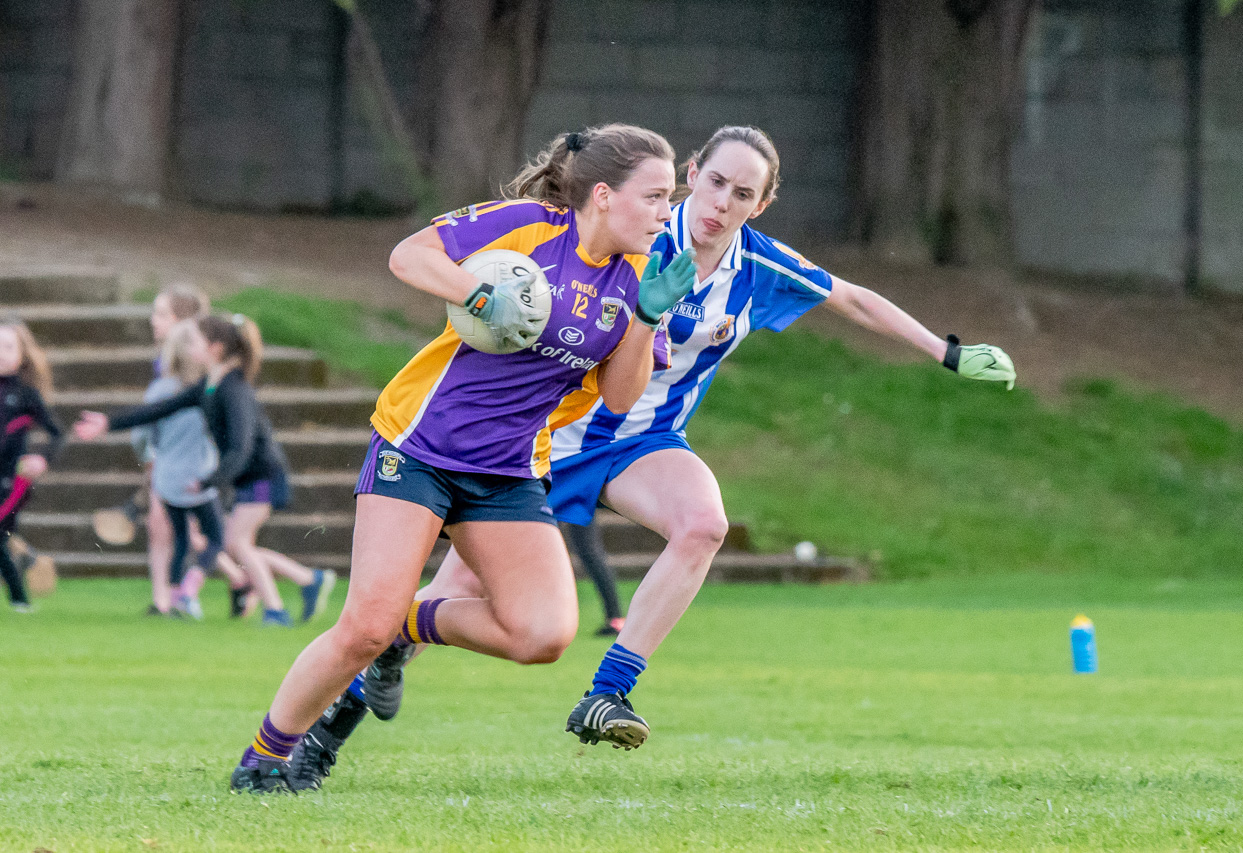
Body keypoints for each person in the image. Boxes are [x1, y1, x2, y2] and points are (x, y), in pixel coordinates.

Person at [288, 125, 1018, 787]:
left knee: (703, 524)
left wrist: (946, 351)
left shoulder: (756, 265)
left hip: (643, 441)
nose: (720, 203)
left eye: (743, 194)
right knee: (451, 605)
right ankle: (330, 729)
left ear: (760, 206)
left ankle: (609, 689)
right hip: (545, 442)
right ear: (691, 174)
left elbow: (853, 299)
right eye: (713, 183)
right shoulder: (634, 226)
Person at [220, 123, 696, 794]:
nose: (665, 212)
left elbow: (617, 400)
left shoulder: (641, 280)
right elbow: (408, 256)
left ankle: (407, 626)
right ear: (603, 195)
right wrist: (478, 295)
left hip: (507, 471)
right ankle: (264, 760)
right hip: (419, 445)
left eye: (668, 198)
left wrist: (646, 319)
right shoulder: (530, 227)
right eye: (653, 196)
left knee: (544, 634)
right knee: (361, 627)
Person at [75, 314, 336, 627]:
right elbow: (162, 408)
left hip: (263, 477)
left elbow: (241, 448)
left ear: (215, 348)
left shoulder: (234, 389)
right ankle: (308, 580)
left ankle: (277, 609)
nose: (186, 347)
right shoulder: (210, 386)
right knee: (234, 543)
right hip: (243, 478)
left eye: (193, 341)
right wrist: (109, 422)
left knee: (235, 543)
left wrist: (209, 481)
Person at [138, 319, 232, 621]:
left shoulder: (158, 389)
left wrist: (150, 457)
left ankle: (175, 598)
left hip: (166, 478)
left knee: (180, 539)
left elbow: (142, 435)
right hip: (198, 476)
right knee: (215, 537)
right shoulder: (207, 390)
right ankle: (189, 590)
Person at [0, 317, 64, 613]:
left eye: (8, 346)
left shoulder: (26, 393)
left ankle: (20, 588)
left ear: (22, 353)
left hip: (13, 480)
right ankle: (21, 591)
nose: (2, 352)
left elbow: (57, 433)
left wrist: (41, 458)